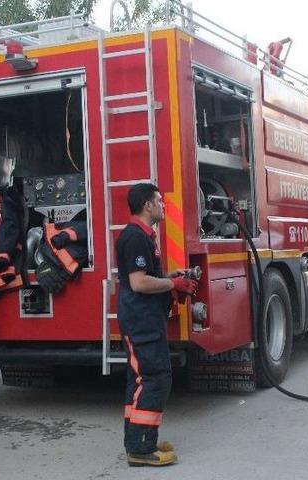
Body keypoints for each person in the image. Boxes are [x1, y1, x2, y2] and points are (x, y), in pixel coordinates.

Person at [115, 183, 197, 466]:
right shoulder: (136, 237)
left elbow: (144, 276)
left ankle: (139, 440)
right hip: (142, 322)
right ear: (147, 206)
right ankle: (141, 449)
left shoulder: (142, 236)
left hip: (143, 320)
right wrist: (173, 283)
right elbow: (138, 283)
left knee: (140, 381)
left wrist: (171, 277)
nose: (164, 205)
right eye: (159, 201)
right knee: (156, 378)